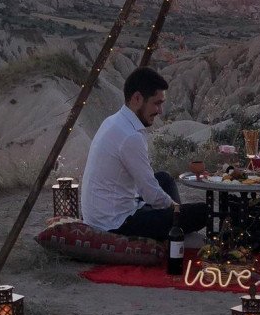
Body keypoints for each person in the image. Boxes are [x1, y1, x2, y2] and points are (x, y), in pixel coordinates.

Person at [81, 67, 207, 241]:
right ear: (137, 98)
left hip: (105, 211)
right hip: (115, 223)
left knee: (165, 179)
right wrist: (176, 209)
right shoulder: (130, 136)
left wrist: (171, 209)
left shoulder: (114, 121)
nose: (160, 111)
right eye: (157, 103)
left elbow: (148, 186)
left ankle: (174, 224)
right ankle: (175, 228)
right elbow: (150, 193)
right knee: (203, 212)